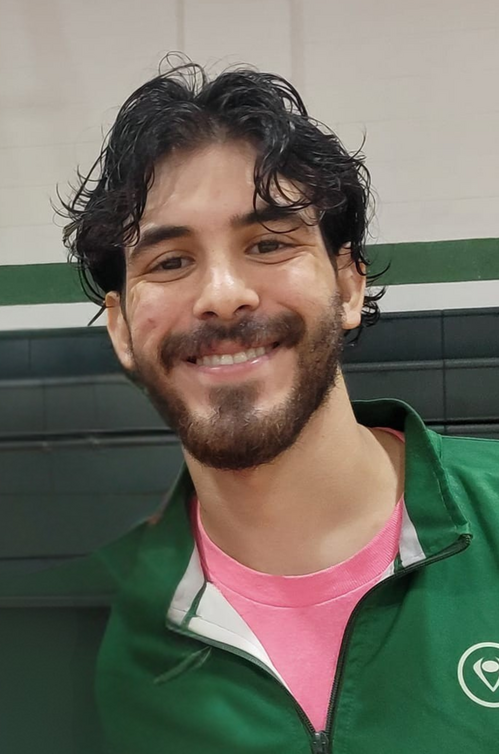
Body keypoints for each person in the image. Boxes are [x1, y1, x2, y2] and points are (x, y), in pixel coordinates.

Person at [61, 60, 499, 754]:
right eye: (170, 262)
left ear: (347, 286)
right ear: (120, 329)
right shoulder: (83, 633)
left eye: (268, 244)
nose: (222, 294)